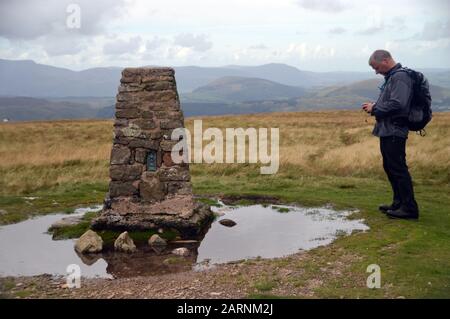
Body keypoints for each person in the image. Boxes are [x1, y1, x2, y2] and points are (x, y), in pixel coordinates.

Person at [362, 50, 419, 220]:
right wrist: (376, 106)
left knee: (398, 168)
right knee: (390, 167)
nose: (376, 71)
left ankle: (409, 209)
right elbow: (393, 102)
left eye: (376, 67)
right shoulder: (393, 77)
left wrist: (375, 109)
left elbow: (398, 104)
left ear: (385, 61)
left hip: (395, 129)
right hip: (388, 129)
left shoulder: (400, 77)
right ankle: (398, 203)